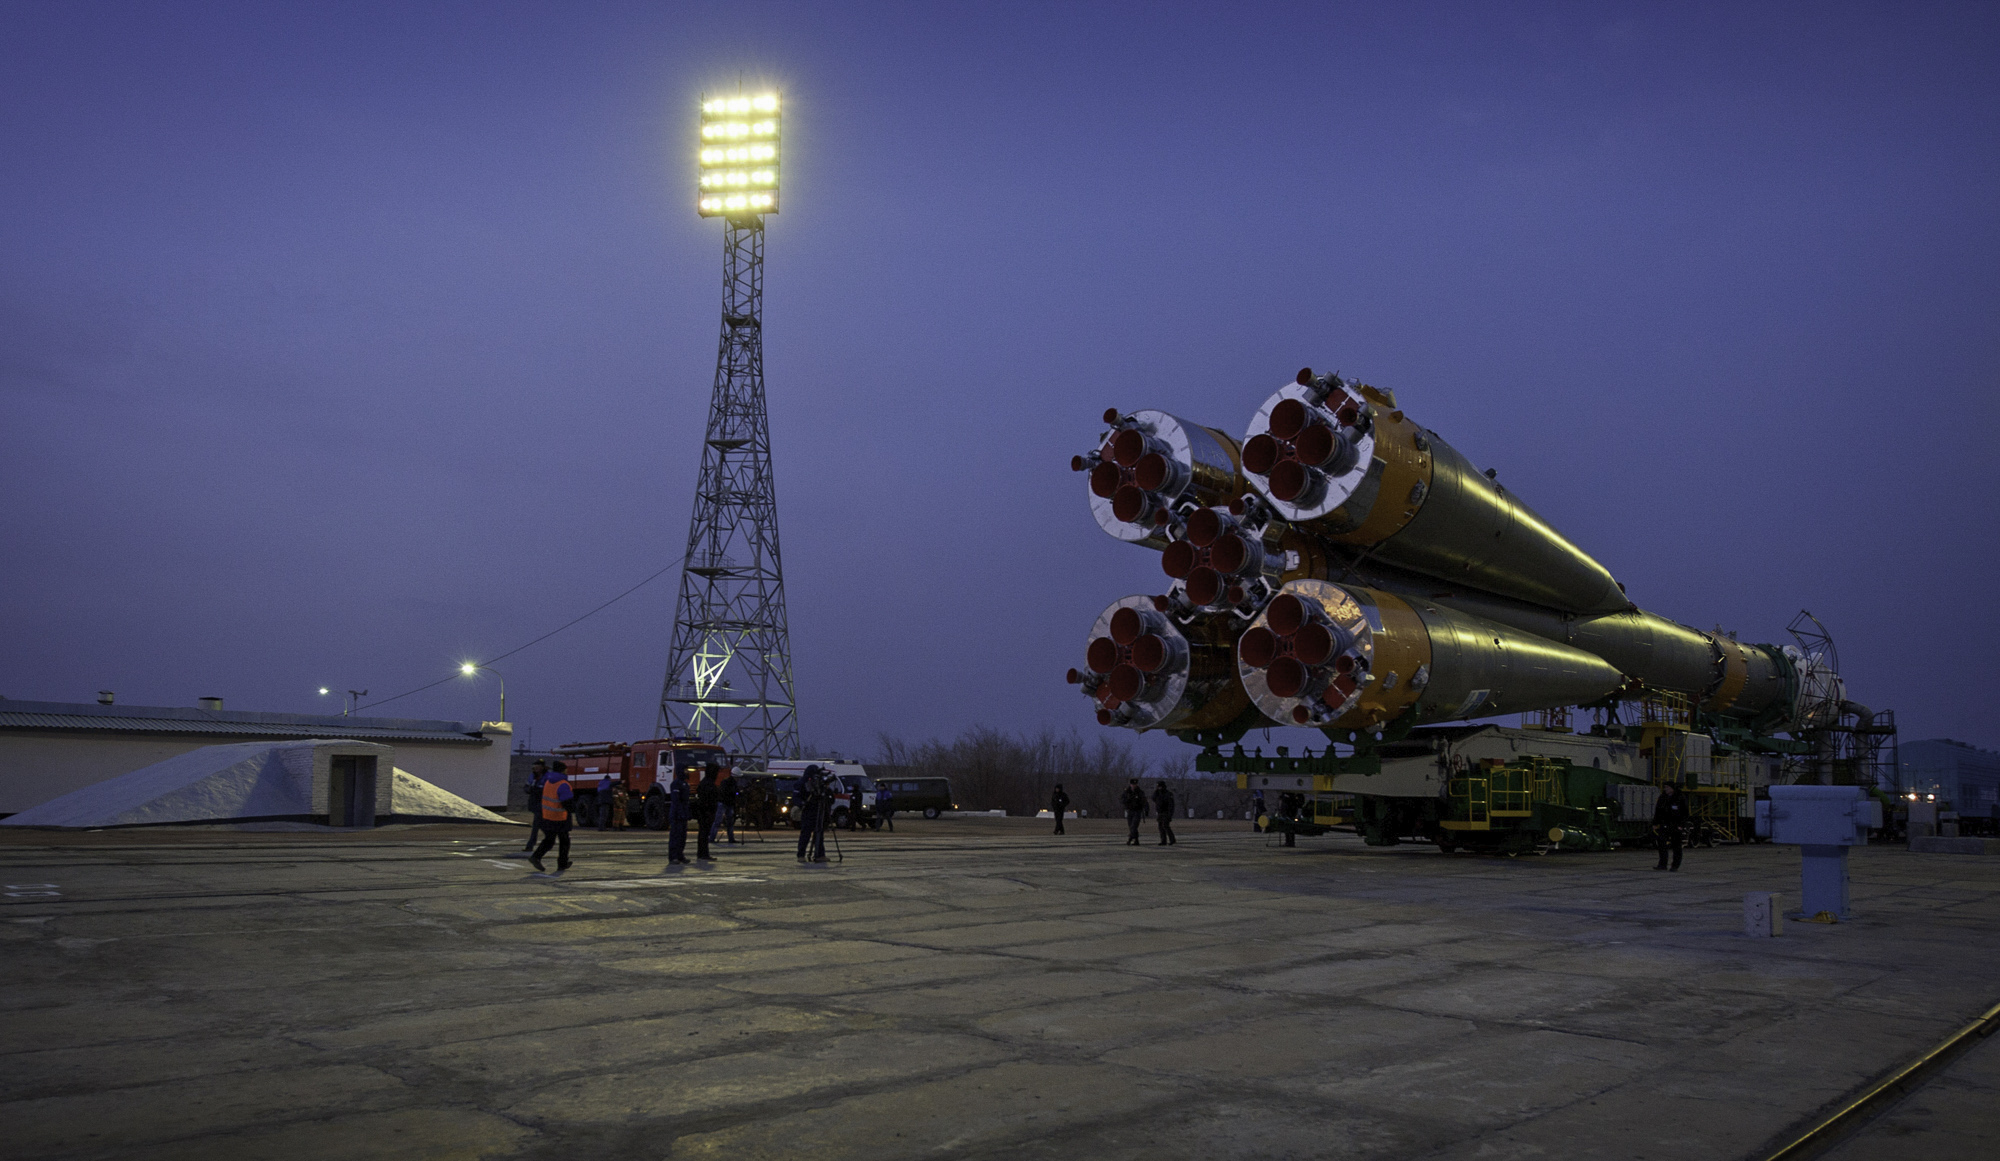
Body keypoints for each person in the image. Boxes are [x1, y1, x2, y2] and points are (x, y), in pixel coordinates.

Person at [530, 761, 574, 874]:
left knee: (549, 840)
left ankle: (536, 856)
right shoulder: (563, 784)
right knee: (564, 841)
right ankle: (562, 863)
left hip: (547, 816)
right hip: (560, 817)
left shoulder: (548, 782)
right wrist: (573, 810)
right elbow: (567, 802)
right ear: (563, 770)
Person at [796, 765, 829, 863]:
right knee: (806, 833)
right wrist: (802, 803)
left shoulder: (818, 784)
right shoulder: (802, 783)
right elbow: (796, 797)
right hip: (808, 810)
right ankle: (801, 855)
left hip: (818, 810)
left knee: (819, 833)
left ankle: (819, 854)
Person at [1654, 782, 1689, 871]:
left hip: (1676, 825)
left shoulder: (1680, 798)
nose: (1665, 789)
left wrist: (1681, 825)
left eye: (1667, 787)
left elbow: (1685, 813)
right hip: (1664, 824)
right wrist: (1655, 823)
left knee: (1676, 846)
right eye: (1665, 787)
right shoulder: (1663, 798)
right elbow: (1658, 811)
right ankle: (1662, 864)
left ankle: (1675, 866)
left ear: (1672, 788)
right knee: (1661, 843)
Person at [666, 768, 692, 865]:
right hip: (676, 814)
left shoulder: (685, 784)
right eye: (685, 770)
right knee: (675, 835)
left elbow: (686, 801)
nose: (687, 772)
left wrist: (687, 812)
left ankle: (680, 855)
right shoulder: (676, 784)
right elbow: (676, 800)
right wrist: (680, 812)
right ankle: (673, 857)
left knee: (682, 836)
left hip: (683, 813)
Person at [521, 759, 547, 851]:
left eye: (537, 767)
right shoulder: (532, 776)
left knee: (536, 824)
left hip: (542, 803)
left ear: (542, 767)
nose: (535, 768)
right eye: (534, 767)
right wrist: (530, 789)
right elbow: (526, 787)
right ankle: (549, 837)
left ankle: (530, 845)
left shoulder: (546, 777)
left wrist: (536, 790)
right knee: (540, 824)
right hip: (534, 802)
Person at [695, 766, 719, 861]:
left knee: (703, 833)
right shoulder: (708, 784)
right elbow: (709, 798)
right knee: (704, 834)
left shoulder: (704, 783)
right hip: (706, 812)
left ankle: (702, 853)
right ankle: (703, 853)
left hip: (704, 811)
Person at [1121, 778, 1147, 846]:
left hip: (1137, 811)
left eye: (1135, 784)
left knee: (1134, 826)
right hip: (1130, 810)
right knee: (1131, 826)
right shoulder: (1127, 792)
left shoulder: (1140, 792)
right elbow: (1122, 800)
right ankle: (1136, 840)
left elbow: (1144, 801)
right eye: (1132, 784)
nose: (1133, 785)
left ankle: (1130, 839)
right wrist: (1127, 801)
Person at [716, 768, 739, 843]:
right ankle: (730, 838)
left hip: (726, 803)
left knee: (727, 821)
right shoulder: (729, 783)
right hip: (725, 803)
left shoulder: (726, 782)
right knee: (720, 821)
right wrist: (736, 793)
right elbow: (731, 792)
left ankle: (712, 838)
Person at [1153, 781, 1178, 846]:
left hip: (1166, 812)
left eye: (1160, 786)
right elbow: (1153, 798)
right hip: (1160, 812)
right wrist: (1156, 792)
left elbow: (1171, 805)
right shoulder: (1157, 793)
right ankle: (1163, 840)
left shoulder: (1168, 794)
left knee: (1165, 826)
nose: (1159, 788)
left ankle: (1172, 839)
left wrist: (1170, 814)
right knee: (1160, 827)